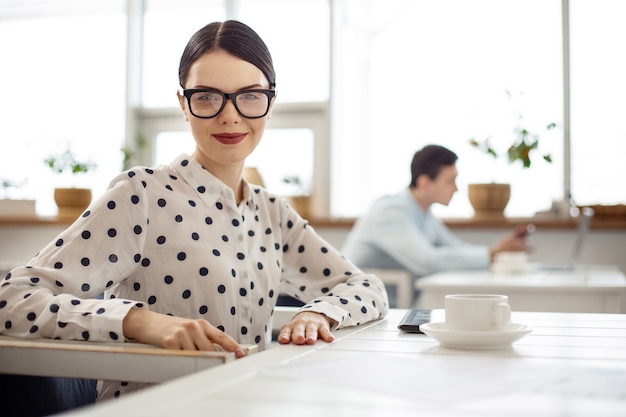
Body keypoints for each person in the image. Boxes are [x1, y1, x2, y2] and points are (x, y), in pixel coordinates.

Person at [0, 20, 388, 401]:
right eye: (207, 96)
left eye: (250, 95)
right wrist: (138, 321)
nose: (230, 116)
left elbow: (367, 287)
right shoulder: (142, 194)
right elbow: (12, 301)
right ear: (184, 105)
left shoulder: (274, 213)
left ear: (271, 103)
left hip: (248, 405)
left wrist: (320, 314)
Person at [341, 144, 530, 307]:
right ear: (424, 183)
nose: (456, 189)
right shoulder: (390, 211)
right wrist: (491, 254)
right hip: (359, 305)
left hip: (391, 302)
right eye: (450, 181)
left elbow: (454, 247)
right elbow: (429, 262)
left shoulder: (424, 212)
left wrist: (495, 252)